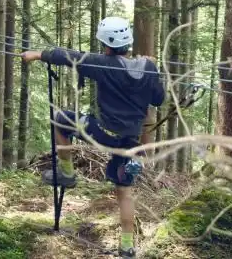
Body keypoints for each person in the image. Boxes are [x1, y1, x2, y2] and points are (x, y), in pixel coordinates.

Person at [20, 16, 164, 258]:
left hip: (105, 134)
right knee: (124, 192)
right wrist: (153, 70)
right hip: (131, 144)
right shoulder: (147, 67)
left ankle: (66, 172)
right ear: (127, 43)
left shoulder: (102, 63)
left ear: (106, 45)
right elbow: (158, 99)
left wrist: (35, 54)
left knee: (59, 118)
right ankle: (127, 246)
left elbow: (67, 56)